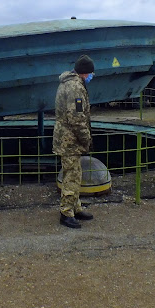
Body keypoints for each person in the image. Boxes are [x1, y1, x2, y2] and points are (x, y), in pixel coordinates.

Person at [52, 54, 96, 229]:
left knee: (75, 174)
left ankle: (75, 207)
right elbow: (76, 118)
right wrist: (87, 139)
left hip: (67, 138)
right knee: (71, 176)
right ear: (84, 73)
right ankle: (66, 213)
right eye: (91, 73)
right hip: (70, 140)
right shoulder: (75, 87)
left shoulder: (69, 83)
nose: (92, 76)